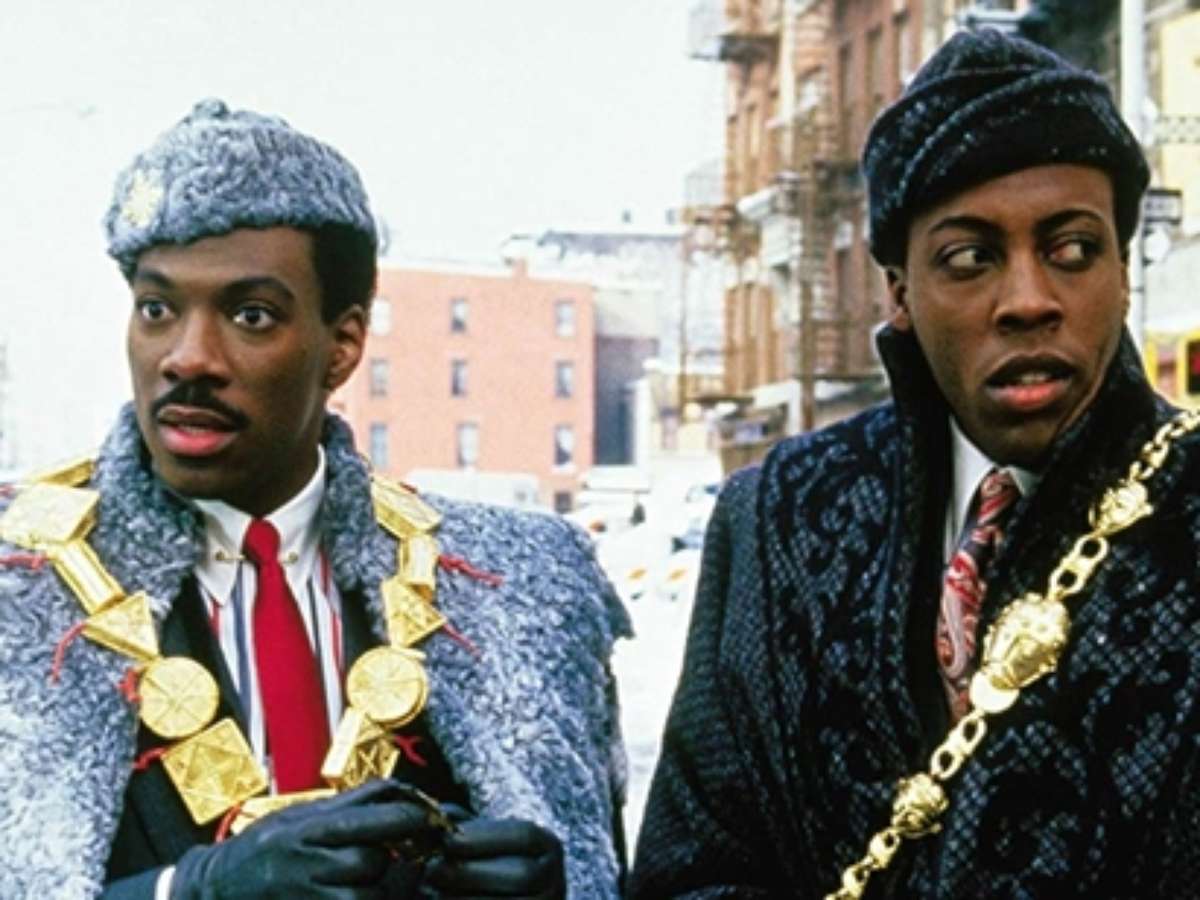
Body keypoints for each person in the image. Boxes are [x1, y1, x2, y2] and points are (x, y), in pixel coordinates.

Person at [0, 99, 630, 899]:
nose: (187, 358)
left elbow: (606, 860)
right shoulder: (17, 577)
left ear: (344, 345)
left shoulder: (525, 586)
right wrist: (189, 891)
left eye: (251, 315)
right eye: (158, 309)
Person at [631, 28, 1200, 899]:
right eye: (970, 259)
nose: (1028, 300)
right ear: (899, 292)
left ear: (1123, 271)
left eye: (1072, 250)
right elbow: (694, 869)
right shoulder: (779, 520)